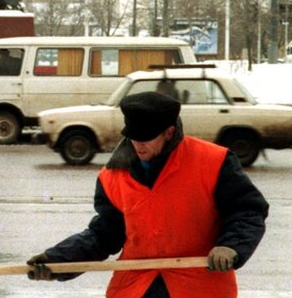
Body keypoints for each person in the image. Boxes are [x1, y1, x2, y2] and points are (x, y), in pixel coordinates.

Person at [27, 91, 269, 297]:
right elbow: (104, 235)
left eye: (146, 138)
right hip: (136, 288)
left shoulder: (214, 162)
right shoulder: (112, 176)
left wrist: (231, 246)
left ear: (169, 132)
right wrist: (58, 260)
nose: (138, 145)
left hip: (199, 286)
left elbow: (247, 211)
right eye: (133, 137)